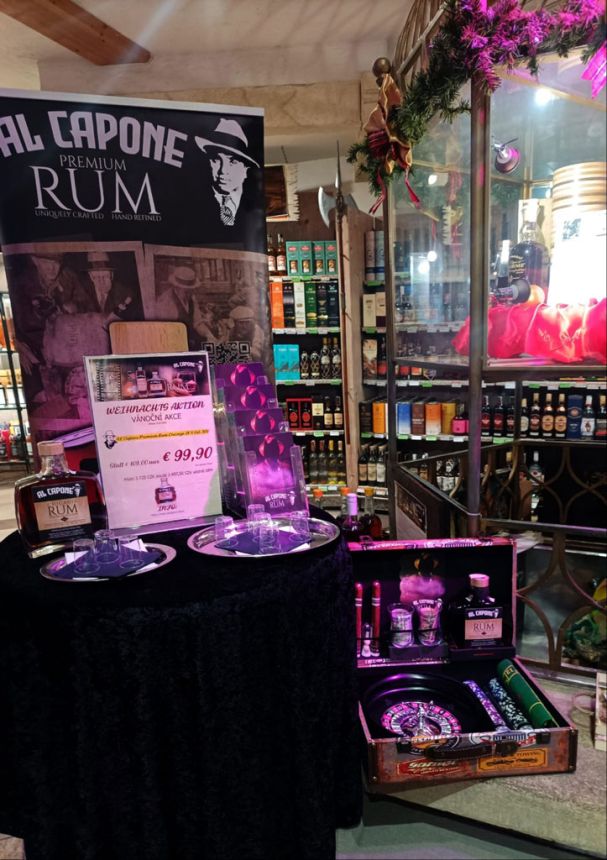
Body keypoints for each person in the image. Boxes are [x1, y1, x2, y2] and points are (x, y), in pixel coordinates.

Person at [195, 118, 260, 230]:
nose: (222, 170)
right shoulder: (200, 203)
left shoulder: (254, 205)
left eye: (232, 161)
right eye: (216, 160)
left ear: (246, 168)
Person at [79, 250, 140, 319]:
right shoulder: (83, 292)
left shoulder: (125, 293)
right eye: (97, 277)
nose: (102, 281)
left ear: (112, 275)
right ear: (91, 277)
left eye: (105, 276)